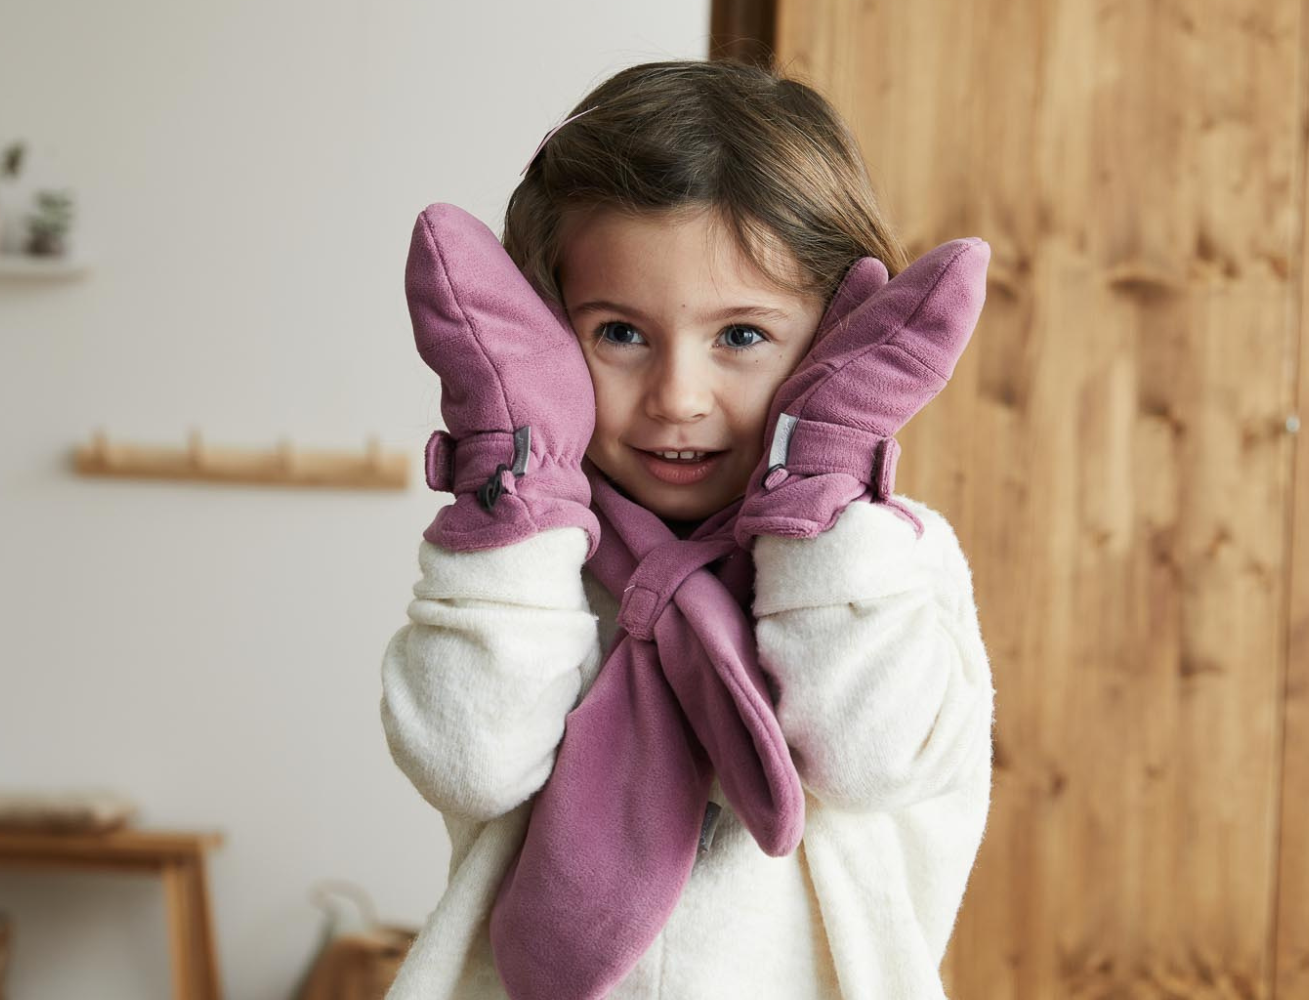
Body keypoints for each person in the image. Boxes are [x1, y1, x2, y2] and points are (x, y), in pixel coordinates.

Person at [380, 59, 994, 999]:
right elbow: (471, 761)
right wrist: (519, 488)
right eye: (619, 333)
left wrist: (818, 492)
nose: (677, 398)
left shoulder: (890, 561)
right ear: (542, 334)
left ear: (835, 339)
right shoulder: (523, 560)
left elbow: (866, 760)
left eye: (741, 336)